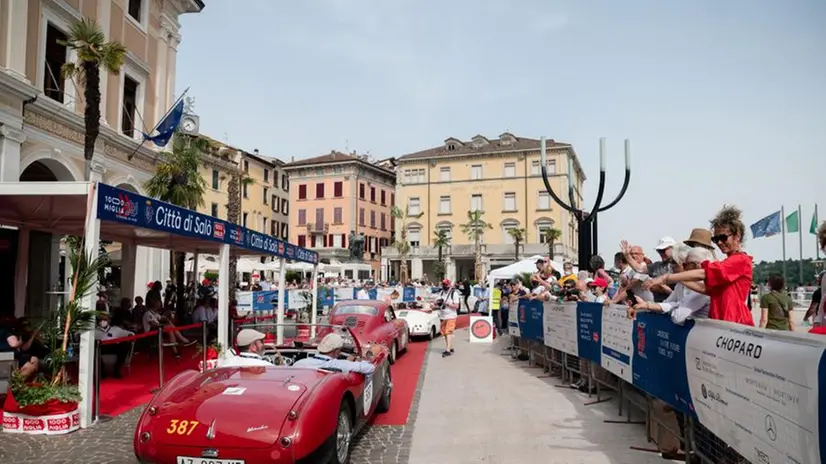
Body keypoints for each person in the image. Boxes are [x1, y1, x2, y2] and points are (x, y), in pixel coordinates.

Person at [645, 205, 753, 326]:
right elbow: (706, 290)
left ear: (737, 236)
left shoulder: (741, 261)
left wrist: (666, 278)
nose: (719, 243)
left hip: (734, 325)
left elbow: (705, 273)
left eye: (723, 237)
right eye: (715, 239)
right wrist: (682, 280)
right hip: (721, 324)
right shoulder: (727, 264)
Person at [629, 246, 713, 325]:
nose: (671, 266)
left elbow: (678, 317)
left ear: (697, 265)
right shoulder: (681, 284)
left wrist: (675, 305)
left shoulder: (702, 287)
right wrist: (647, 305)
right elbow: (668, 303)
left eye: (674, 262)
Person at [292, 333, 377, 374]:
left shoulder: (299, 363)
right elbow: (370, 368)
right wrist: (354, 362)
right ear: (336, 351)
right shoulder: (340, 365)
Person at [94, 314, 134, 378]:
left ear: (109, 320)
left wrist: (130, 335)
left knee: (124, 346)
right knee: (93, 349)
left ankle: (116, 370)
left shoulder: (115, 329)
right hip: (101, 347)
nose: (102, 321)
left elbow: (129, 333)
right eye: (101, 319)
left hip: (113, 346)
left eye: (105, 319)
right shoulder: (94, 331)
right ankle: (101, 371)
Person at [431, 279, 461, 357]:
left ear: (449, 285)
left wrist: (447, 304)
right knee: (444, 333)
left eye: (446, 285)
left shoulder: (454, 294)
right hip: (443, 316)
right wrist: (436, 303)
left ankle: (447, 350)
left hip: (451, 316)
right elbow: (437, 301)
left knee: (448, 332)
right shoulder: (441, 293)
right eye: (443, 285)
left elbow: (456, 306)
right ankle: (450, 347)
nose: (444, 286)